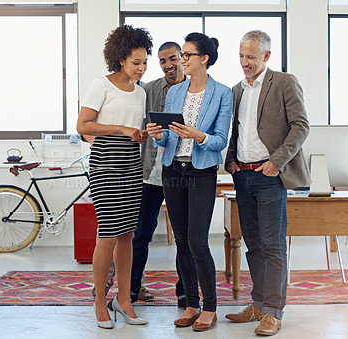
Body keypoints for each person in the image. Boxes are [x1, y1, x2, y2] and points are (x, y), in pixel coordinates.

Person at [224, 30, 310, 336]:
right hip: (242, 175)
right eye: (241, 56)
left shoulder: (284, 82)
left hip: (270, 176)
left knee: (273, 246)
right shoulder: (236, 90)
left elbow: (301, 126)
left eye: (250, 57)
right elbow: (234, 131)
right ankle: (258, 305)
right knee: (254, 245)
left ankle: (274, 312)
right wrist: (230, 160)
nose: (244, 63)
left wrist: (278, 160)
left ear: (266, 56)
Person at [147, 32, 233, 332]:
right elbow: (167, 138)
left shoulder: (222, 93)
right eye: (181, 55)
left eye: (186, 55)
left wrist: (199, 136)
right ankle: (192, 305)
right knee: (182, 243)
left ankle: (210, 307)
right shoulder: (174, 92)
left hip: (201, 172)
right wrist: (159, 135)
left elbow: (221, 140)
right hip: (172, 170)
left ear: (203, 59)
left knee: (198, 242)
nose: (180, 60)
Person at [76, 24, 152, 329]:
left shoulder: (141, 93)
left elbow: (134, 129)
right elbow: (83, 125)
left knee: (127, 235)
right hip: (106, 162)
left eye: (145, 62)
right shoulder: (101, 85)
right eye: (136, 62)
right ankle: (99, 302)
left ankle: (124, 300)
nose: (142, 68)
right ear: (120, 58)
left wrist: (141, 135)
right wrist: (121, 129)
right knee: (107, 233)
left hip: (131, 164)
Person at [130, 41, 187, 306]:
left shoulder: (195, 89)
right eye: (163, 61)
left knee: (184, 236)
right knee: (141, 234)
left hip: (182, 173)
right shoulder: (148, 89)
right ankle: (132, 288)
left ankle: (184, 290)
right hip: (150, 174)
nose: (168, 65)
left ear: (183, 58)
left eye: (173, 58)